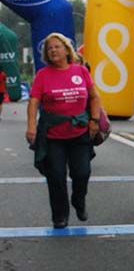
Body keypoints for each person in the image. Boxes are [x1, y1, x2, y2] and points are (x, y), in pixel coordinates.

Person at [25, 33, 104, 229]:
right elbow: (34, 102)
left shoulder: (81, 71)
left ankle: (79, 200)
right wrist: (31, 126)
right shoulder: (43, 75)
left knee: (82, 173)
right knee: (56, 177)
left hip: (80, 133)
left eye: (56, 47)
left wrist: (94, 120)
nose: (53, 50)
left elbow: (94, 97)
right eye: (49, 48)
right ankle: (60, 215)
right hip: (53, 136)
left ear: (67, 50)